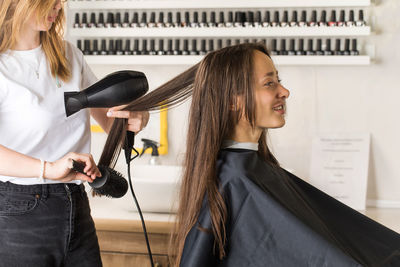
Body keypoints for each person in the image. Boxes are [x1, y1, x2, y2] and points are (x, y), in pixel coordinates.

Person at [99, 44, 400, 266]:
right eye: (270, 83)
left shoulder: (250, 171)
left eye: (278, 80)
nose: (284, 92)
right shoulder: (235, 180)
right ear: (232, 101)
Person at [0, 0, 149, 266]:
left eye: (61, 1)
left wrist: (134, 118)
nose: (58, 7)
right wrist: (47, 168)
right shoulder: (4, 66)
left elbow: (109, 118)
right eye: (49, 1)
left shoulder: (68, 54)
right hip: (20, 210)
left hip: (75, 202)